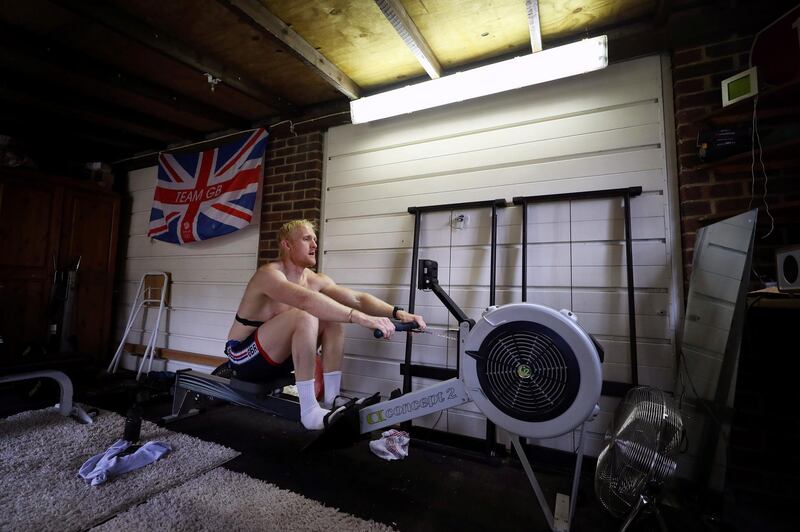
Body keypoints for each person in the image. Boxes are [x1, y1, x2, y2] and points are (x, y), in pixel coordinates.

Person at [225, 219, 426, 430]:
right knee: (306, 313)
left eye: (314, 239)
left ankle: (332, 399)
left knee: (331, 316)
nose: (314, 245)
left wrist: (398, 313)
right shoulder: (268, 275)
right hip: (243, 358)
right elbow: (305, 301)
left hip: (278, 359)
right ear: (287, 244)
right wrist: (362, 318)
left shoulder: (315, 279)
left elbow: (357, 299)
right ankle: (309, 410)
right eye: (306, 239)